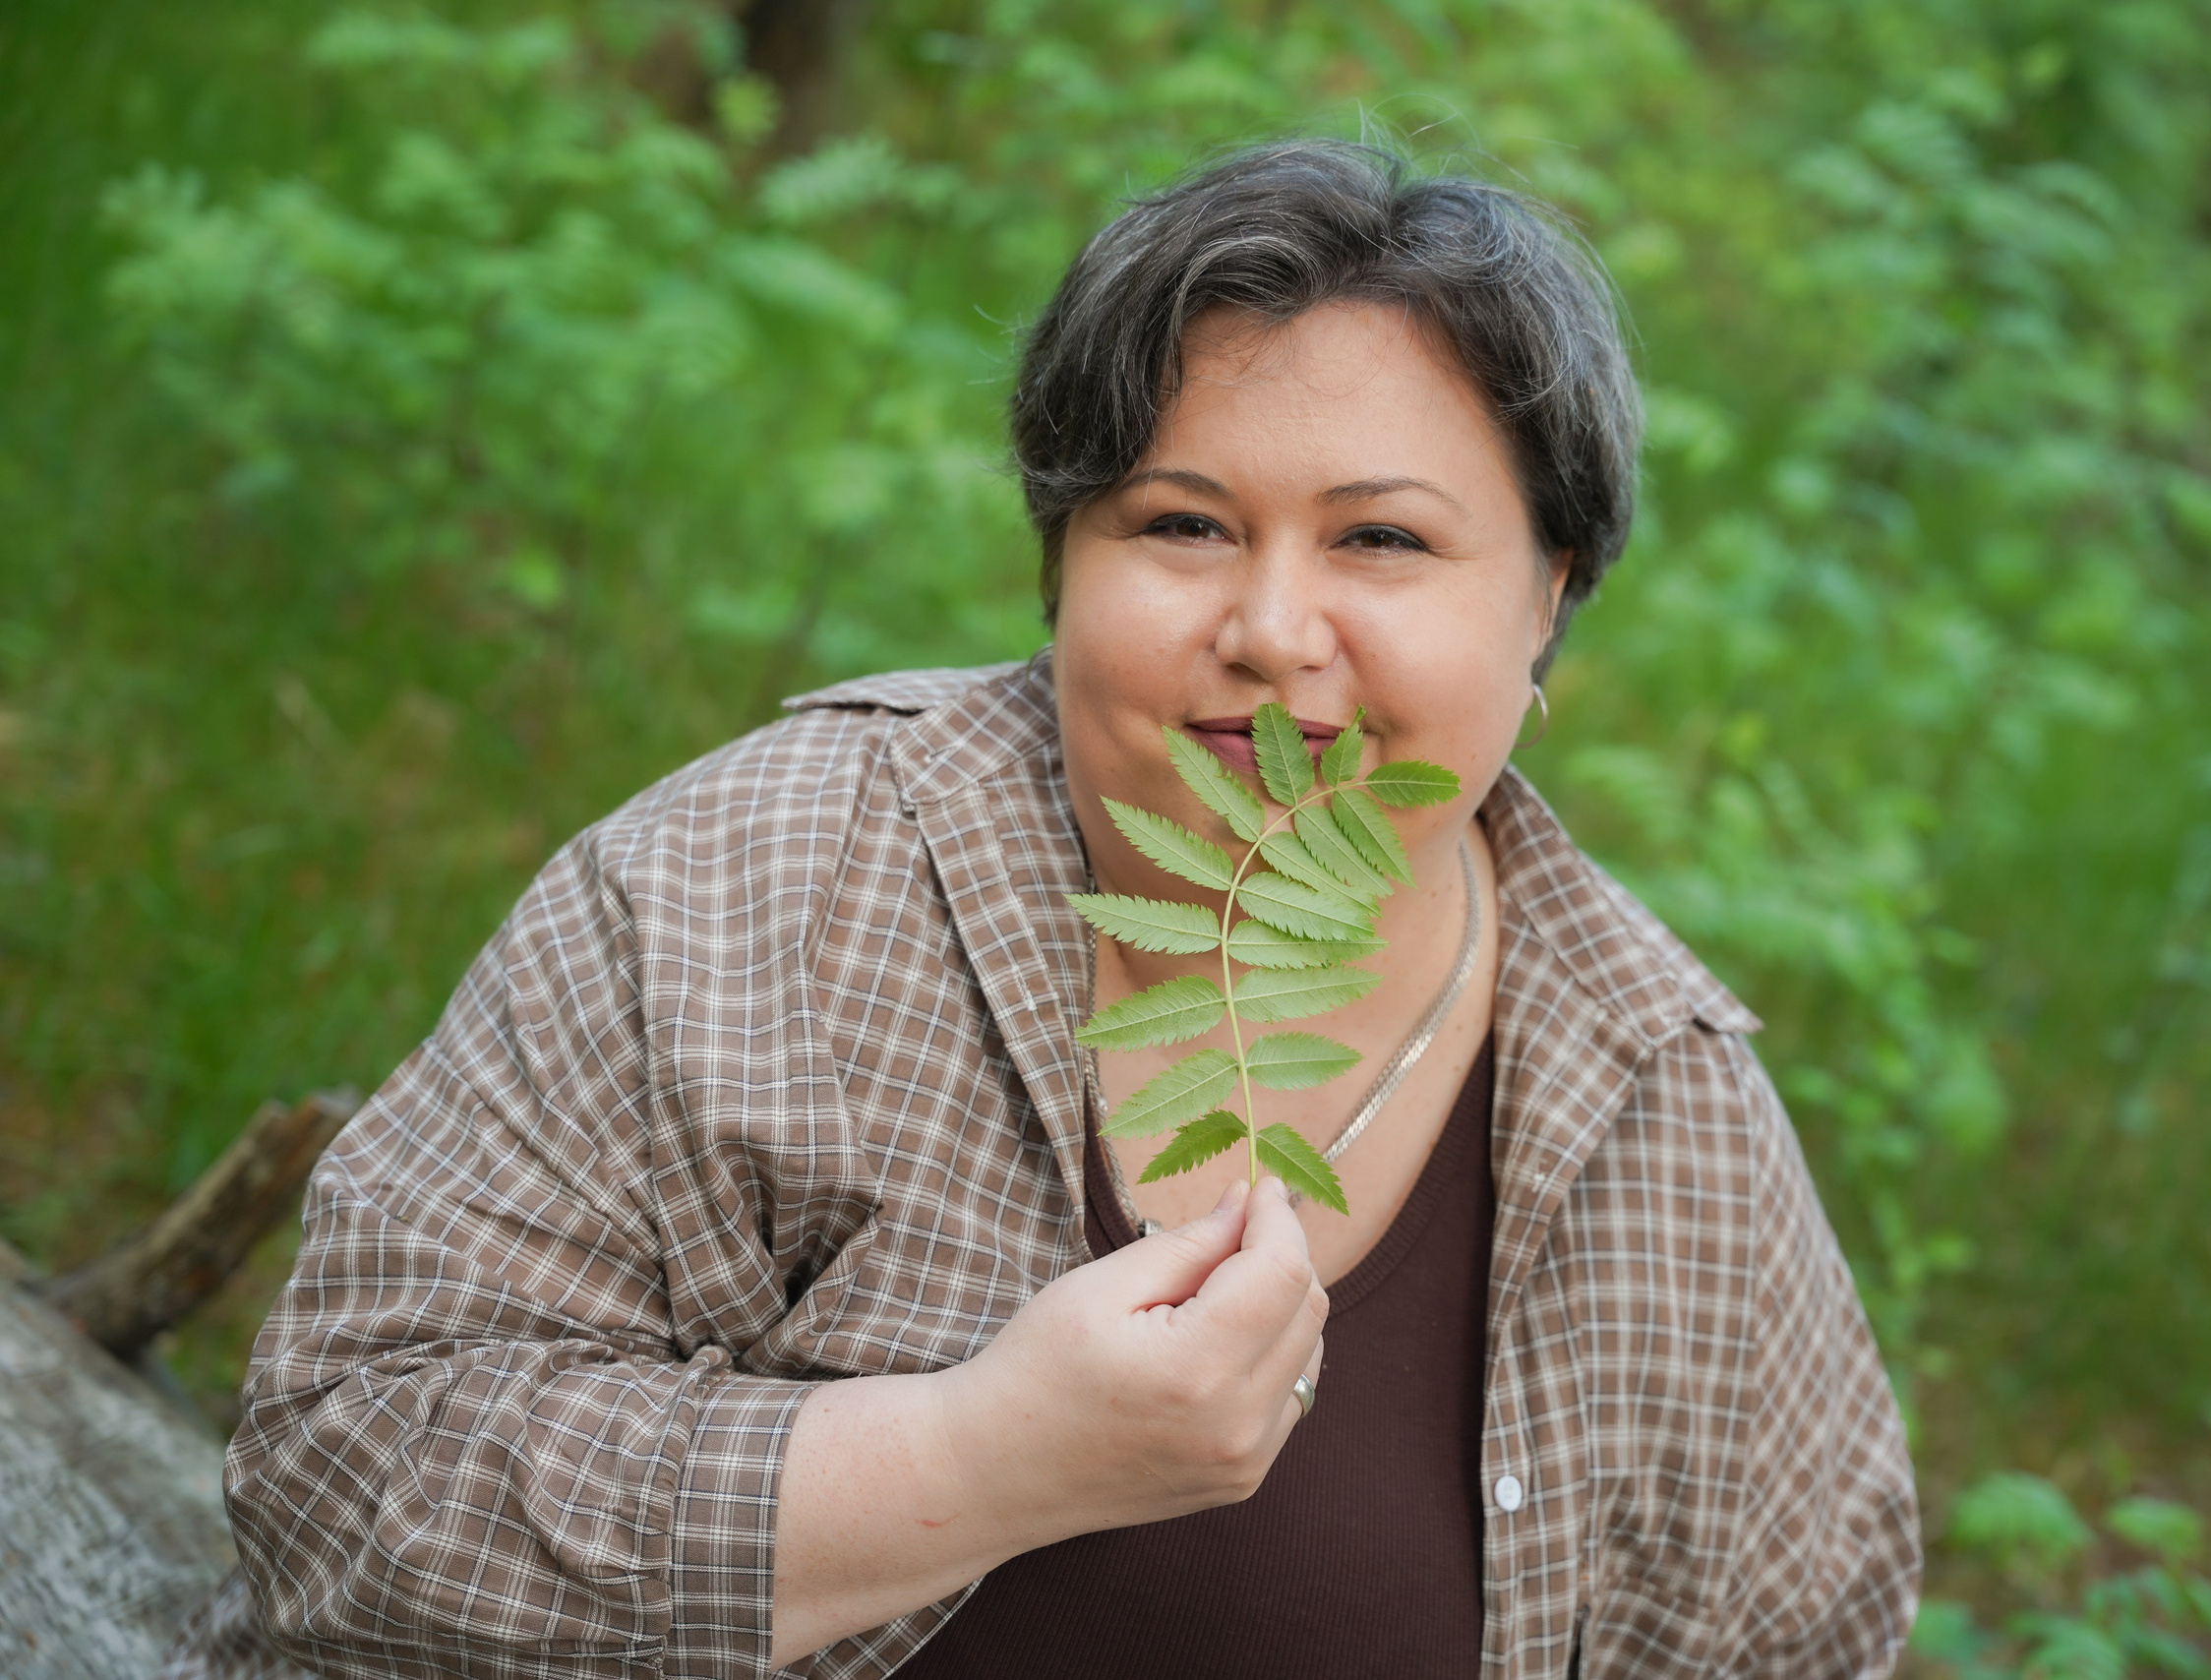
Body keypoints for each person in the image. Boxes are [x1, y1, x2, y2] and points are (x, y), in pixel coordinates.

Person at [216, 140, 1918, 1680]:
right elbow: (338, 1472)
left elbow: (1804, 1638)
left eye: (1382, 541)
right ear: (1060, 563)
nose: (1269, 626)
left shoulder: (1663, 1111)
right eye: (1184, 522)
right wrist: (969, 1464)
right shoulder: (765, 884)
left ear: (1548, 596)